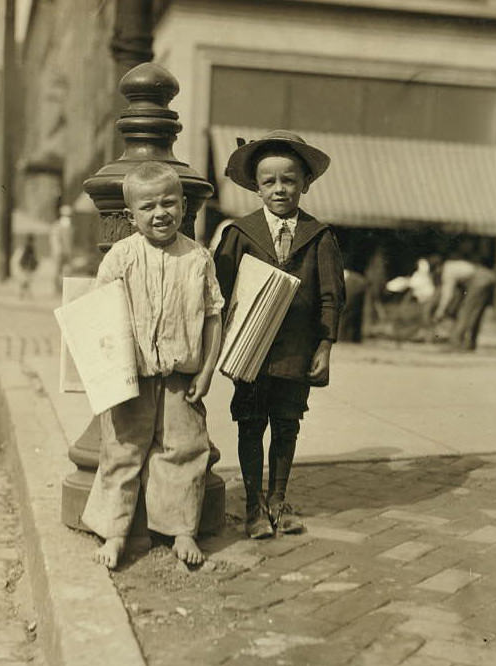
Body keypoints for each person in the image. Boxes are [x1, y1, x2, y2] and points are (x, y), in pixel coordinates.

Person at [81, 162, 224, 569]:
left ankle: (181, 529)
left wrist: (207, 369)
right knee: (122, 451)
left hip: (181, 375)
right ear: (131, 216)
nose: (160, 213)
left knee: (185, 448)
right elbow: (98, 317)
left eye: (169, 203)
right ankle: (115, 532)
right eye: (148, 207)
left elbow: (214, 315)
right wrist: (107, 373)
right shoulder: (121, 258)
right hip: (133, 375)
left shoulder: (197, 258)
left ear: (182, 206)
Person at [213, 130, 344, 539]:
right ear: (256, 187)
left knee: (287, 423)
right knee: (250, 424)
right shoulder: (240, 234)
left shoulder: (319, 236)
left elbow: (331, 295)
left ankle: (278, 499)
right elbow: (218, 291)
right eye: (269, 182)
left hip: (295, 351)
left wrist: (325, 344)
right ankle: (253, 506)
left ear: (305, 183)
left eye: (289, 180)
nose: (280, 189)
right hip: (250, 351)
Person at [433, 255, 495, 352]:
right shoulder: (452, 264)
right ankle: (471, 343)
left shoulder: (447, 271)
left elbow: (447, 295)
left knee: (466, 312)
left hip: (479, 280)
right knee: (476, 313)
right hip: (487, 276)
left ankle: (455, 343)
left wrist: (440, 311)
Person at [50, 204, 74, 293]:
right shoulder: (57, 226)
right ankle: (57, 288)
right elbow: (54, 240)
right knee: (57, 271)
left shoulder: (70, 227)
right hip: (59, 253)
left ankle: (65, 289)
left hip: (67, 252)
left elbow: (70, 241)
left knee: (67, 271)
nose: (67, 217)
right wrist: (58, 251)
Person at [14, 234, 39, 299]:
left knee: (25, 281)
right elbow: (28, 258)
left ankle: (24, 294)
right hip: (26, 266)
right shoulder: (29, 248)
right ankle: (25, 294)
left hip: (25, 266)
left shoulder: (26, 247)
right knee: (26, 281)